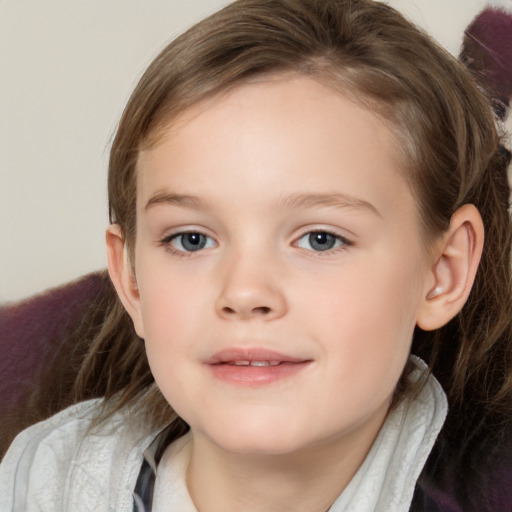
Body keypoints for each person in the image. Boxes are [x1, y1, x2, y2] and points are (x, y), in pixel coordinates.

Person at [1, 0, 511, 510]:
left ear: (443, 272)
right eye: (191, 239)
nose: (244, 292)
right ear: (131, 277)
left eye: (320, 239)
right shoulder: (37, 486)